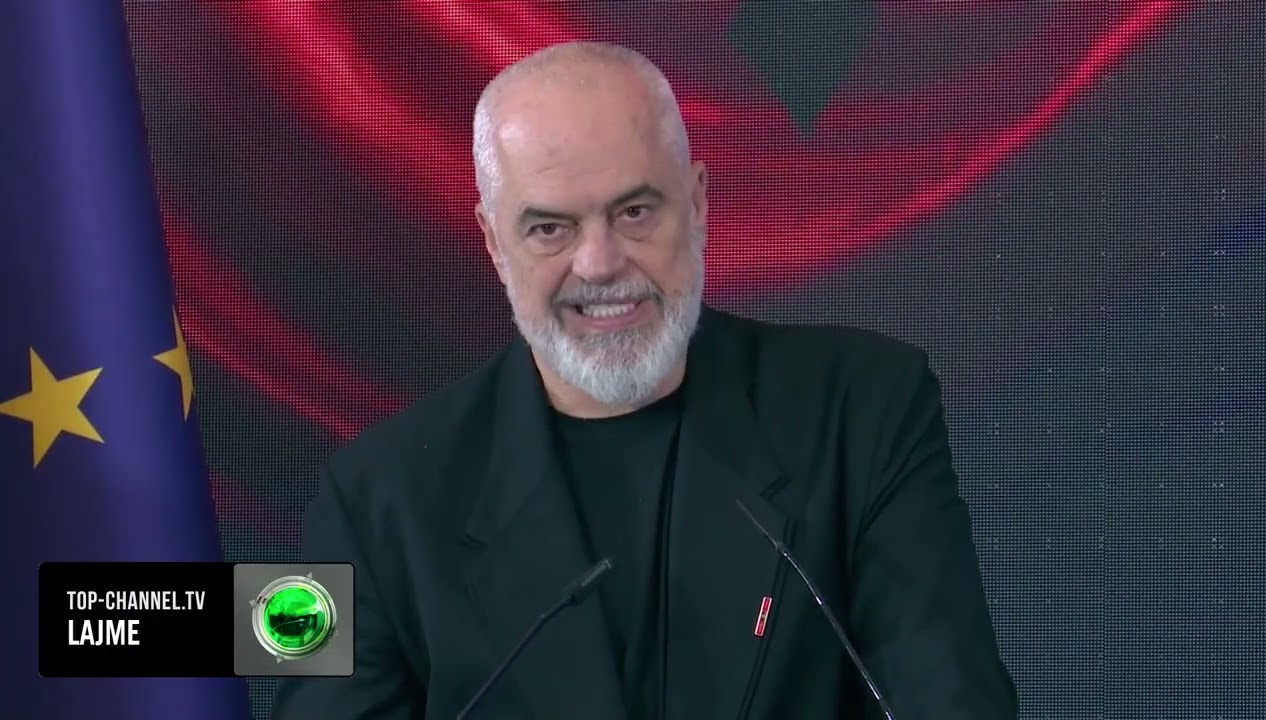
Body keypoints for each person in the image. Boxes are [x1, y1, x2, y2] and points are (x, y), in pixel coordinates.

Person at [272, 41, 1018, 719]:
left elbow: (956, 701)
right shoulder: (364, 498)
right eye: (550, 228)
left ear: (697, 204)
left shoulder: (869, 406)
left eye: (634, 212)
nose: (599, 264)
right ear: (494, 242)